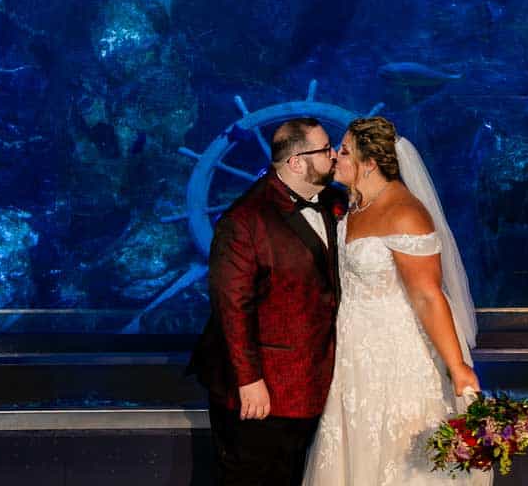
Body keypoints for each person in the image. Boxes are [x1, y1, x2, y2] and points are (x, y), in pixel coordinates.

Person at [303, 115, 491, 486]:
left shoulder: (405, 213)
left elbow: (426, 296)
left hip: (394, 356)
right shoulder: (355, 205)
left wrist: (458, 368)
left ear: (369, 164)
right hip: (354, 356)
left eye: (343, 152)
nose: (335, 158)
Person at [188, 116, 345, 486]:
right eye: (325, 150)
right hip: (261, 389)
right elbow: (231, 306)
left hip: (310, 381)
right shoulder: (244, 220)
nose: (334, 155)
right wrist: (249, 379)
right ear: (295, 162)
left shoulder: (333, 201)